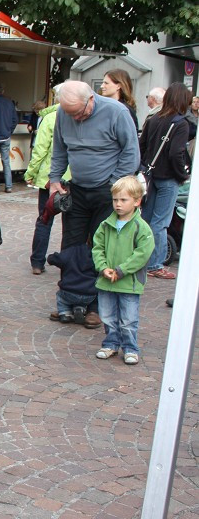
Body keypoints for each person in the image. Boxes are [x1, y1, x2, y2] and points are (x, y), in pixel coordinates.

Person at [49, 80, 140, 249]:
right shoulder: (63, 112)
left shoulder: (117, 112)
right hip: (77, 189)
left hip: (107, 191)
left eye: (79, 113)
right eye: (71, 114)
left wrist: (113, 184)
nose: (75, 118)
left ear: (91, 99)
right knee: (71, 243)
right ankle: (71, 275)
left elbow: (131, 153)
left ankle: (98, 275)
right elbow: (60, 149)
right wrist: (54, 179)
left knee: (101, 244)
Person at [92, 176, 154, 365]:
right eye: (115, 200)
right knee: (107, 316)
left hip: (129, 282)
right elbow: (97, 248)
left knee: (128, 318)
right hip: (106, 281)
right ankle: (111, 343)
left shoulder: (141, 227)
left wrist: (122, 270)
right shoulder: (105, 225)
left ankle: (130, 347)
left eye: (123, 200)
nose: (118, 204)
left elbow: (142, 254)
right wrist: (103, 268)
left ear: (136, 201)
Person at [138, 82, 191, 280]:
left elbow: (141, 146)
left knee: (147, 219)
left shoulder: (154, 119)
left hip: (150, 177)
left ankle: (141, 259)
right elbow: (177, 153)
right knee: (161, 222)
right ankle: (155, 264)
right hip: (168, 177)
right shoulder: (180, 123)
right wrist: (182, 175)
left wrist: (144, 169)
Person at [24, 86, 71, 274]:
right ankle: (68, 262)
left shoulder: (50, 118)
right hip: (72, 178)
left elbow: (40, 149)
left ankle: (37, 262)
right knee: (71, 224)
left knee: (44, 219)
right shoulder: (78, 117)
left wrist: (31, 172)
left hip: (49, 178)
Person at [46, 244, 99, 327]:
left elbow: (54, 259)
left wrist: (50, 257)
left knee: (61, 297)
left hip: (68, 292)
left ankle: (65, 313)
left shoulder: (70, 251)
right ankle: (80, 309)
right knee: (91, 294)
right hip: (89, 295)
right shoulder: (94, 254)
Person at [0, 82, 19, 194]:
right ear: (3, 91)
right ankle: (9, 186)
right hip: (6, 136)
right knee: (6, 162)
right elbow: (15, 120)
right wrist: (9, 131)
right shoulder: (9, 102)